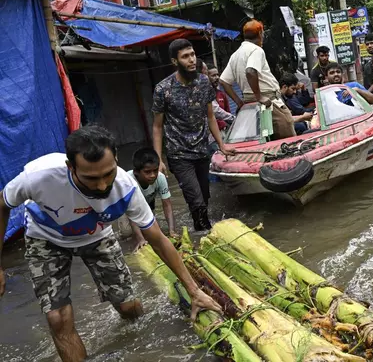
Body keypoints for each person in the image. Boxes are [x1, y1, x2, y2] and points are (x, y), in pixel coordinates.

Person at [0, 126, 221, 362]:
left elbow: (158, 239)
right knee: (57, 318)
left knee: (128, 307)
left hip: (96, 235)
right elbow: (2, 205)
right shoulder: (38, 177)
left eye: (108, 174)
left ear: (116, 159)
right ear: (70, 167)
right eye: (91, 178)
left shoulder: (126, 187)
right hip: (46, 237)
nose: (102, 186)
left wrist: (194, 291)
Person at [152, 39, 234, 232]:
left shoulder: (204, 82)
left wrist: (222, 145)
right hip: (179, 154)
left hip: (202, 150)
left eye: (192, 54)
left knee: (204, 197)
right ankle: (207, 235)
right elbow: (157, 126)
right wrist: (158, 159)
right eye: (185, 56)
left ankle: (201, 231)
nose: (191, 60)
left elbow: (210, 115)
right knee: (196, 201)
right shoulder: (163, 89)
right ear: (175, 61)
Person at [220, 19, 298, 140]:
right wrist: (259, 96)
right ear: (260, 33)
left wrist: (239, 102)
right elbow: (250, 71)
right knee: (287, 135)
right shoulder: (256, 50)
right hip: (267, 101)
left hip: (249, 104)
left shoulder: (236, 54)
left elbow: (224, 81)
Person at [127, 148, 176, 251]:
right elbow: (132, 215)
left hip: (148, 203)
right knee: (126, 234)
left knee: (151, 231)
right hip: (126, 209)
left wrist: (172, 231)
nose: (153, 175)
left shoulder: (160, 178)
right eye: (147, 172)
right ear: (136, 172)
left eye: (155, 170)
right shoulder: (128, 182)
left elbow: (167, 205)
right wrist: (140, 239)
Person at [205, 62, 234, 131]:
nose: (217, 78)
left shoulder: (221, 94)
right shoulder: (204, 95)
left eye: (217, 75)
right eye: (213, 75)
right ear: (206, 77)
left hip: (224, 131)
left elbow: (228, 114)